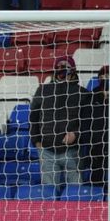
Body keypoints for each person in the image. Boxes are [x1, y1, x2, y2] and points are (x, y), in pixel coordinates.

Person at [29, 56, 87, 187]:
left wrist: (76, 135)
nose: (61, 69)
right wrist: (36, 141)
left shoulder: (83, 93)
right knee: (48, 193)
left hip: (72, 150)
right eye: (59, 66)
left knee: (75, 191)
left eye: (65, 66)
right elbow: (34, 117)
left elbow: (87, 122)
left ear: (73, 69)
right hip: (46, 150)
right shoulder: (43, 90)